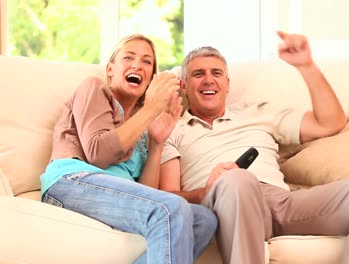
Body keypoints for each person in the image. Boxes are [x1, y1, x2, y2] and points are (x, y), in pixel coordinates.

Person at [159, 31, 349, 264]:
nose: (209, 80)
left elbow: (330, 123)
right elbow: (168, 197)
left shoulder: (257, 112)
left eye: (216, 73)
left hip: (281, 202)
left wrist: (306, 66)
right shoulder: (172, 128)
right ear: (184, 85)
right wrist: (204, 191)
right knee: (237, 181)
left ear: (227, 84)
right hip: (222, 202)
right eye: (198, 74)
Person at [40, 34, 217, 264]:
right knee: (171, 209)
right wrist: (150, 110)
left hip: (111, 192)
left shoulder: (141, 126)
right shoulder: (94, 89)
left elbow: (147, 194)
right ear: (110, 69)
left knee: (203, 219)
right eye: (129, 57)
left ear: (150, 80)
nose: (137, 65)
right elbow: (98, 154)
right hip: (70, 182)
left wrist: (156, 143)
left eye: (146, 62)